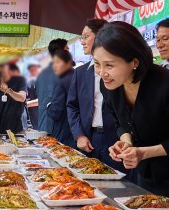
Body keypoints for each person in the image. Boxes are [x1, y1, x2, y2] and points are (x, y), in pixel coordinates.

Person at [93, 22, 169, 197]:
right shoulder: (110, 86)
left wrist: (142, 152)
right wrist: (126, 143)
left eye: (109, 65)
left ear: (134, 62)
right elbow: (121, 122)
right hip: (147, 171)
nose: (102, 73)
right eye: (97, 64)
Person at [66, 19, 123, 170]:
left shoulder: (121, 69)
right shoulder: (80, 72)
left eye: (86, 37)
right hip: (89, 141)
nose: (82, 42)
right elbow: (72, 106)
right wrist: (79, 135)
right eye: (81, 38)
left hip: (117, 142)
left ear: (101, 35)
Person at [0, 62, 27, 134]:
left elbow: (22, 98)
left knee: (20, 144)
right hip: (2, 129)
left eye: (2, 67)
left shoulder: (20, 80)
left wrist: (9, 91)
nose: (0, 70)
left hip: (19, 128)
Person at [46, 48, 77, 147]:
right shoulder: (78, 76)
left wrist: (48, 106)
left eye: (58, 62)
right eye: (53, 63)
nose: (54, 66)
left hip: (64, 130)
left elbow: (55, 112)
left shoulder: (61, 81)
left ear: (68, 63)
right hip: (78, 130)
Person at [35, 39, 67, 134]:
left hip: (44, 123)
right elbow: (53, 100)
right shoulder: (59, 72)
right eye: (67, 49)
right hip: (54, 126)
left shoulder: (42, 72)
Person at [25, 63, 41, 129]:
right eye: (31, 70)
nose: (33, 72)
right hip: (31, 123)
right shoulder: (28, 84)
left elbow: (42, 101)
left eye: (35, 69)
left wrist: (24, 104)